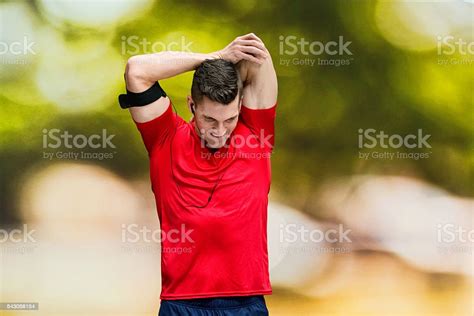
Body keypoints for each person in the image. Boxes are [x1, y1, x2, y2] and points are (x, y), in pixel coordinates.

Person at [120, 33, 278, 315]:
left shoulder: (256, 134)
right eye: (210, 119)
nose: (219, 131)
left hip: (246, 304)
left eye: (229, 119)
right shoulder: (164, 137)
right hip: (182, 305)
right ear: (192, 105)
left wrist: (227, 68)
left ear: (240, 107)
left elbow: (258, 55)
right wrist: (216, 57)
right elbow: (137, 70)